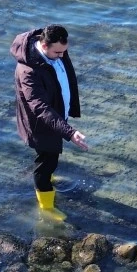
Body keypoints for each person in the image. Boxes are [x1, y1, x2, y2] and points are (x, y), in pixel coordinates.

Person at [10, 24, 89, 221]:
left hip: (57, 117)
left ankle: (49, 178)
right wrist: (70, 132)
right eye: (58, 52)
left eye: (64, 51)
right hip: (41, 125)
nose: (62, 56)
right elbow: (40, 108)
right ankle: (46, 208)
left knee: (49, 160)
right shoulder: (27, 71)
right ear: (44, 46)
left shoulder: (56, 49)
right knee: (46, 163)